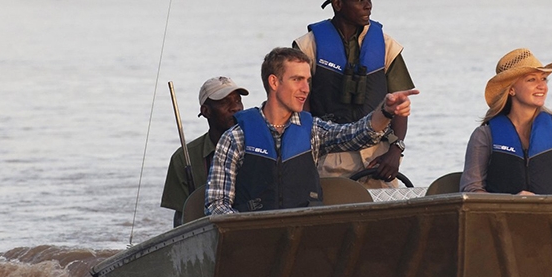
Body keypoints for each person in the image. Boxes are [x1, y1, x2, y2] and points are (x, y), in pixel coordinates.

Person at [205, 47, 418, 215]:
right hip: (255, 241)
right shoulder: (235, 138)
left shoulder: (313, 130)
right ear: (274, 82)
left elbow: (358, 134)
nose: (306, 88)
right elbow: (217, 205)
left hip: (306, 238)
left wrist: (386, 111)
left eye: (308, 80)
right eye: (297, 79)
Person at [293, 0, 415, 188]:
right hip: (329, 159)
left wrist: (395, 152)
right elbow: (300, 108)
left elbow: (400, 104)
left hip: (379, 159)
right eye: (360, 0)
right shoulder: (306, 47)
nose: (367, 5)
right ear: (338, 4)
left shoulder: (387, 46)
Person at [460, 48, 552, 195]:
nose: (542, 86)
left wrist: (541, 205)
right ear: (511, 89)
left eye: (543, 79)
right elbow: (471, 191)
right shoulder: (484, 135)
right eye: (531, 80)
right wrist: (514, 202)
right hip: (500, 217)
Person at [160, 76, 248, 226]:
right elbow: (181, 219)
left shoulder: (257, 146)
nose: (235, 108)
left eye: (238, 101)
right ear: (205, 111)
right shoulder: (183, 158)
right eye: (224, 102)